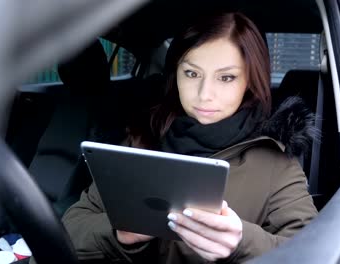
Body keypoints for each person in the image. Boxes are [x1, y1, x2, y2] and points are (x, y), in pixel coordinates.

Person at [55, 12, 318, 263]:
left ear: (248, 81)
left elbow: (316, 251)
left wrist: (241, 243)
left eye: (226, 77)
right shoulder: (142, 138)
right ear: (175, 75)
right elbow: (71, 226)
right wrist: (117, 233)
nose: (205, 94)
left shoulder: (276, 163)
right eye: (192, 73)